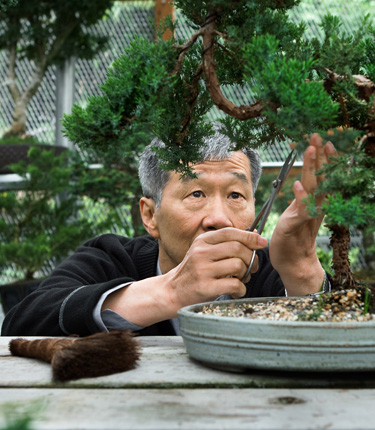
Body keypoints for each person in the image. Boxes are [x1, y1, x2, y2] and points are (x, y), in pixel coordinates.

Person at [1, 126, 336, 336]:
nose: (218, 218)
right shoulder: (113, 258)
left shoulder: (273, 271)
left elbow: (340, 348)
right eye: (196, 194)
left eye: (235, 195)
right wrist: (173, 291)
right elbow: (21, 323)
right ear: (150, 215)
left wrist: (302, 268)